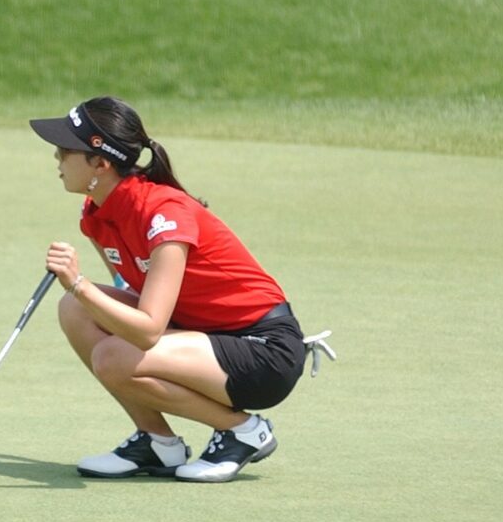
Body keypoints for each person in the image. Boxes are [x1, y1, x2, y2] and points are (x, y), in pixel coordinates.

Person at [29, 96, 322, 483]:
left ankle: (244, 432)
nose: (56, 157)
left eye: (66, 150)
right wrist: (80, 295)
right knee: (75, 310)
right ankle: (157, 443)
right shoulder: (97, 214)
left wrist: (79, 283)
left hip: (262, 352)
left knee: (114, 354)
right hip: (204, 339)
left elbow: (148, 330)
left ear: (100, 162)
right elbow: (126, 294)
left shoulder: (164, 213)